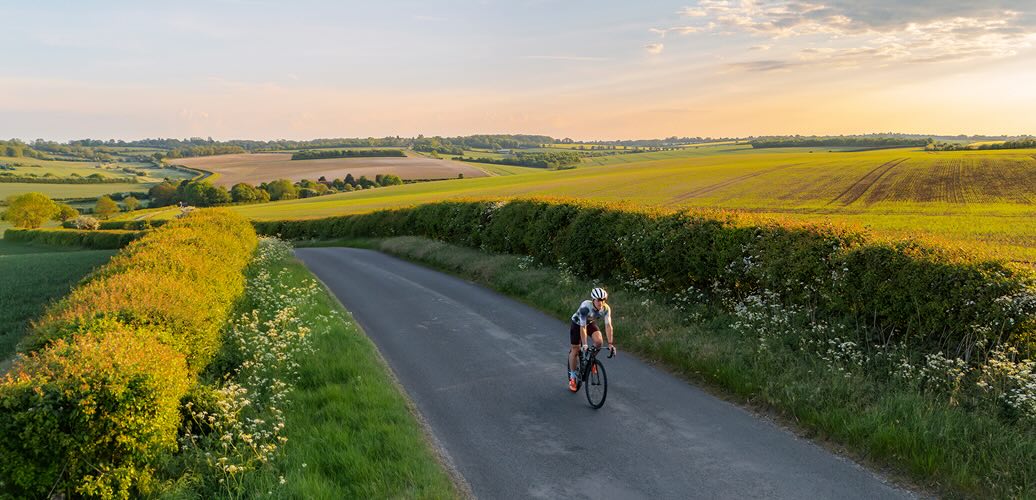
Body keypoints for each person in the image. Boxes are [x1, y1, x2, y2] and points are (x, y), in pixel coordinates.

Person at [568, 287, 616, 392]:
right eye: (599, 300)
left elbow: (608, 326)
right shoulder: (585, 306)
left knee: (599, 342)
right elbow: (583, 327)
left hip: (590, 323)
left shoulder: (606, 308)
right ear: (593, 299)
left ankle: (591, 361)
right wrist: (584, 344)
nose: (601, 302)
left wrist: (611, 344)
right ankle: (572, 377)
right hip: (577, 324)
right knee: (575, 349)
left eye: (603, 300)